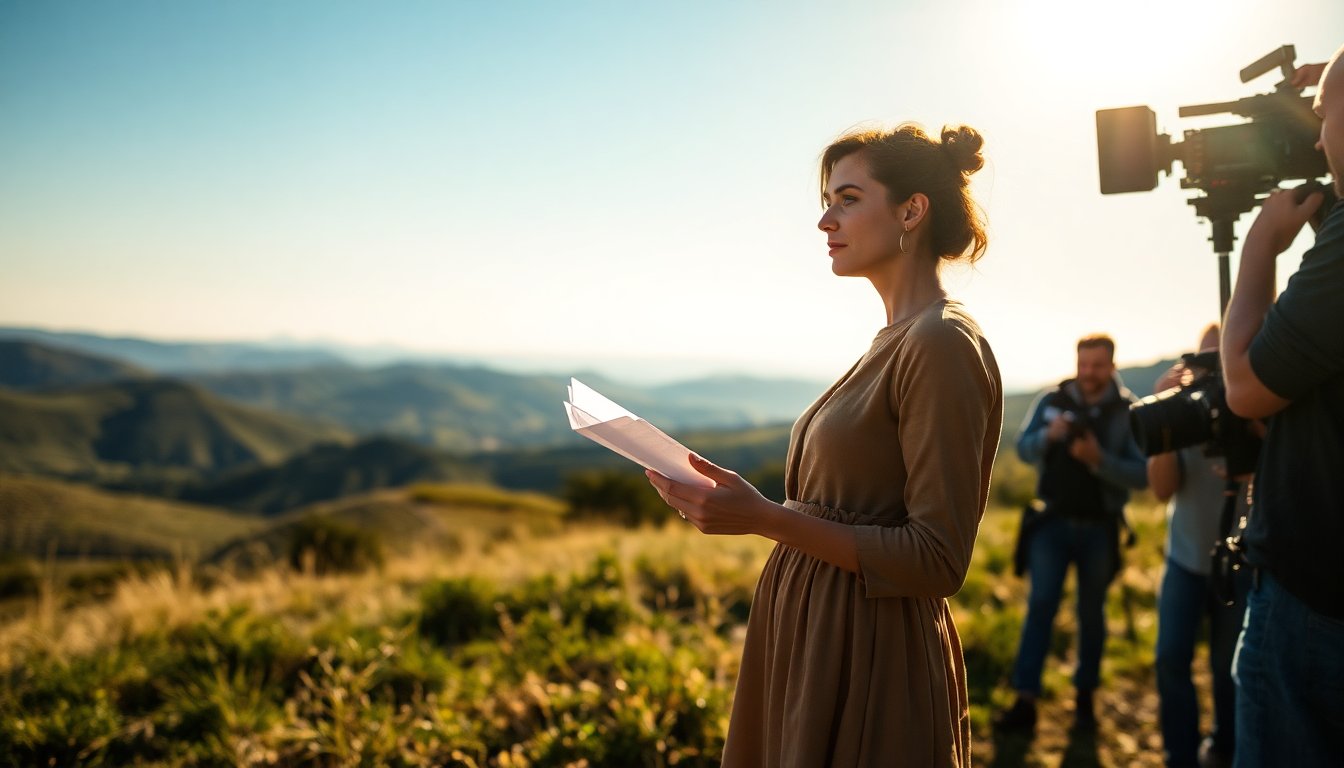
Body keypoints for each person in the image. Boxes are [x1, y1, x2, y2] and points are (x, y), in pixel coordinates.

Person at [645, 123, 1002, 766]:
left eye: (847, 199)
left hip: (868, 656)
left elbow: (938, 560)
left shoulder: (940, 344)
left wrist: (762, 518)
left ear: (911, 211)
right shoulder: (896, 338)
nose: (824, 220)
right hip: (815, 641)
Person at [1221, 48, 1344, 767]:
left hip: (1315, 600)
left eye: (1324, 118)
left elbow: (1244, 387)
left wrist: (1261, 245)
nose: (1318, 137)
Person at [996, 334, 1147, 732]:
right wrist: (1050, 436)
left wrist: (1099, 461)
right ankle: (1025, 701)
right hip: (1051, 524)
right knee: (1040, 607)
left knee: (1091, 614)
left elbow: (1143, 475)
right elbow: (1023, 449)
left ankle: (1085, 702)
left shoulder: (1128, 412)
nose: (1088, 374)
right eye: (1083, 365)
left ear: (1112, 366)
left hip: (1100, 528)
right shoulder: (1052, 401)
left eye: (1097, 366)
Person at [1148, 324, 1248, 768]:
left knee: (1229, 673)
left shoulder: (1254, 411)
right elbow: (1160, 490)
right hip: (1186, 560)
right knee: (1171, 661)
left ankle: (1225, 748)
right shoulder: (1188, 413)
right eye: (1205, 361)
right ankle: (1180, 756)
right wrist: (1165, 420)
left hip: (1240, 566)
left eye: (1220, 361)